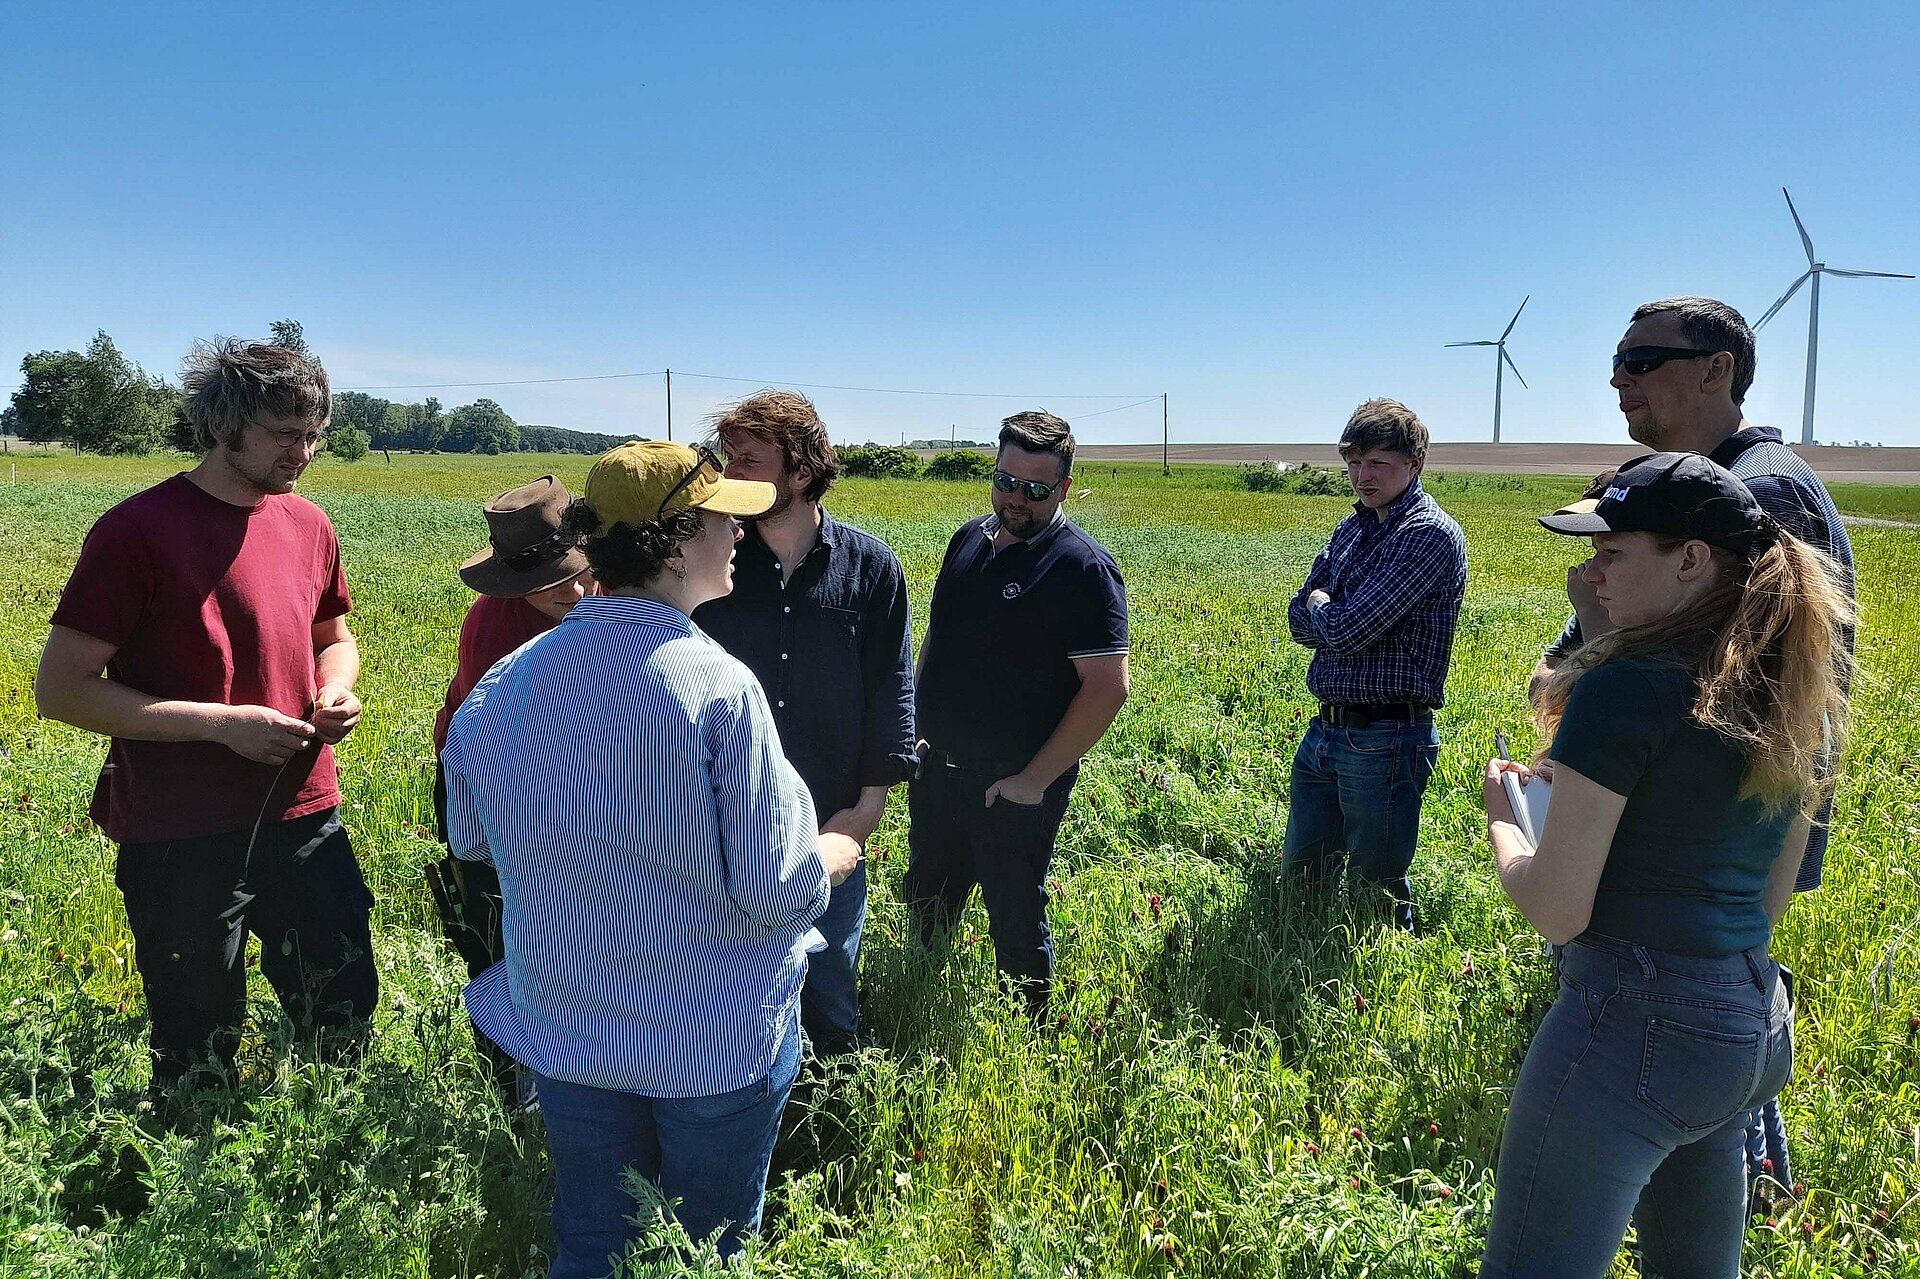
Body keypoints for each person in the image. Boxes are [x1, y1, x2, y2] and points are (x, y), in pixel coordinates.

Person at [440, 440, 858, 1272]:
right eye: (720, 517)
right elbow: (779, 890)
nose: (738, 532)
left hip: (567, 1030)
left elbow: (471, 840)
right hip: (713, 1041)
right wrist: (836, 848)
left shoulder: (506, 683)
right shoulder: (717, 689)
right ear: (672, 542)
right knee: (704, 1247)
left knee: (594, 1237)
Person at [1480, 451, 1852, 1277]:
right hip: (1746, 1020)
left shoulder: (1626, 687)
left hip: (1625, 1019)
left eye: (1612, 550)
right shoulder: (1790, 686)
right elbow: (1772, 892)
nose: (1590, 568)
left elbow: (1556, 908)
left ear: (1690, 558)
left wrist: (1506, 816)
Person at [1533, 295, 1857, 1186]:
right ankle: (1734, 1184)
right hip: (1716, 799)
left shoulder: (1758, 487)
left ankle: (1745, 1181)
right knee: (1711, 998)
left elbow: (1747, 673)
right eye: (1617, 359)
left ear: (1718, 367)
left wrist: (1579, 664)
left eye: (1642, 360)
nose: (1618, 378)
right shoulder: (1715, 474)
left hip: (1721, 806)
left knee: (1692, 989)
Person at [33, 337, 376, 1094]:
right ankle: (194, 1168)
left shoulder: (309, 524)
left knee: (342, 1000)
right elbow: (62, 689)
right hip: (181, 825)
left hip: (304, 806)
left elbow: (334, 638)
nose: (306, 451)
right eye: (286, 433)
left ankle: (331, 1147)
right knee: (199, 1032)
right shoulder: (136, 531)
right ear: (224, 426)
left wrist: (338, 686)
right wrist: (224, 724)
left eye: (313, 431)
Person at [692, 391, 915, 1056]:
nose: (731, 474)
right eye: (729, 458)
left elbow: (890, 689)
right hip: (728, 826)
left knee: (828, 987)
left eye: (750, 460)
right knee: (732, 994)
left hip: (834, 823)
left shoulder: (870, 567)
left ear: (802, 469)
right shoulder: (713, 562)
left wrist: (865, 809)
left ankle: (832, 1117)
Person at [902, 411, 1129, 1015]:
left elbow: (1107, 688)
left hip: (1014, 782)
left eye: (1035, 489)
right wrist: (915, 731)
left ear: (1064, 487)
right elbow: (938, 640)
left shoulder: (1082, 568)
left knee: (1014, 913)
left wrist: (1034, 781)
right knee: (927, 896)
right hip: (938, 766)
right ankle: (919, 997)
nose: (1015, 499)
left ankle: (1029, 1031)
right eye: (1005, 481)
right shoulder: (967, 539)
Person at [426, 475, 594, 1107]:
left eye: (578, 570)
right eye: (549, 581)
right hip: (491, 780)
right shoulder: (495, 629)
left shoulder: (602, 597)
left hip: (575, 780)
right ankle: (515, 1076)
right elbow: (494, 754)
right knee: (501, 921)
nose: (572, 590)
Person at [1281, 398, 1467, 930]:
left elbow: (1344, 626)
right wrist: (1321, 609)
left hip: (1386, 733)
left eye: (1379, 463)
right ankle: (1300, 960)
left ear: (1415, 464)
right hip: (1327, 727)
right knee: (1303, 874)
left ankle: (1379, 978)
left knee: (1375, 890)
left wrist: (1322, 603)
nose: (1363, 476)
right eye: (1354, 462)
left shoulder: (1427, 534)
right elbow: (1297, 619)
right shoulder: (1353, 527)